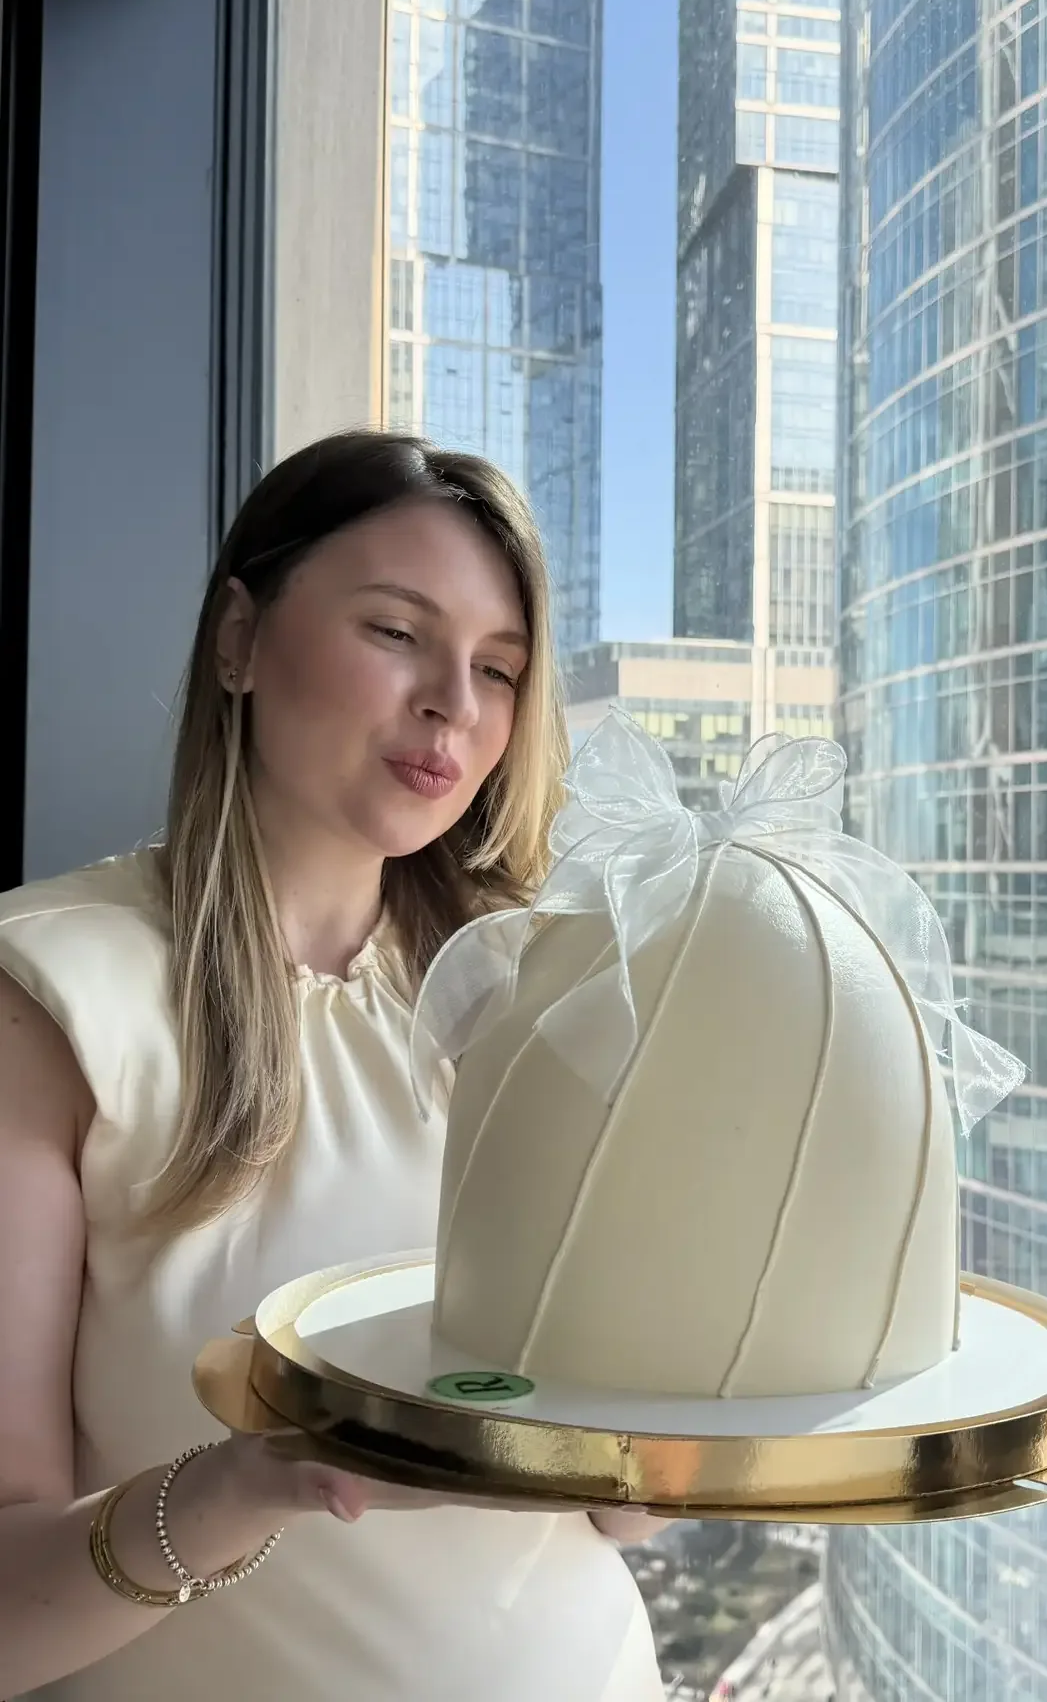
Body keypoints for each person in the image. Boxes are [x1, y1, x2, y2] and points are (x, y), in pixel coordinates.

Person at [0, 432, 666, 1700]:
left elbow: (620, 1511)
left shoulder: (541, 987)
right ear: (238, 640)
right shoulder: (52, 996)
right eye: (397, 632)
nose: (453, 705)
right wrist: (241, 1488)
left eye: (498, 669)